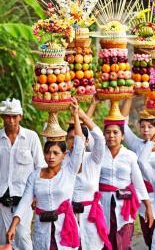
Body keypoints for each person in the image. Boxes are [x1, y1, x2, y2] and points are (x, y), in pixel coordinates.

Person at [6, 98, 85, 249]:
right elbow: (25, 201)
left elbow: (79, 146)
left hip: (65, 229)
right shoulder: (35, 175)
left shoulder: (69, 171)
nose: (51, 156)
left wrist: (76, 116)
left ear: (64, 154)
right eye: (48, 152)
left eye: (56, 153)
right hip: (42, 232)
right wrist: (13, 225)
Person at [99, 119, 154, 249]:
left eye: (115, 132)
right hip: (102, 203)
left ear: (122, 136)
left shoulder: (130, 156)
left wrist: (148, 208)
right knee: (105, 240)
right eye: (108, 132)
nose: (111, 135)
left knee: (123, 241)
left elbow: (139, 183)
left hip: (124, 204)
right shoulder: (98, 154)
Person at [0, 98, 45, 249]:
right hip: (2, 200)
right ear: (2, 117)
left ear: (21, 116)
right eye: (7, 116)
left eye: (14, 116)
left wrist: (37, 194)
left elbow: (40, 167)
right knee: (4, 241)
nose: (11, 120)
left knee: (23, 237)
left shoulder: (31, 137)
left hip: (24, 200)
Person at [67, 108, 110, 250]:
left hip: (90, 216)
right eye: (71, 138)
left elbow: (100, 138)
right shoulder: (61, 161)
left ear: (86, 141)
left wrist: (82, 115)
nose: (74, 141)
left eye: (77, 137)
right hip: (68, 216)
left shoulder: (93, 159)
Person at [121, 98, 155, 248]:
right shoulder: (137, 144)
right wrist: (130, 97)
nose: (145, 130)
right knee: (148, 237)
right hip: (143, 198)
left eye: (150, 127)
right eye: (143, 126)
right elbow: (122, 124)